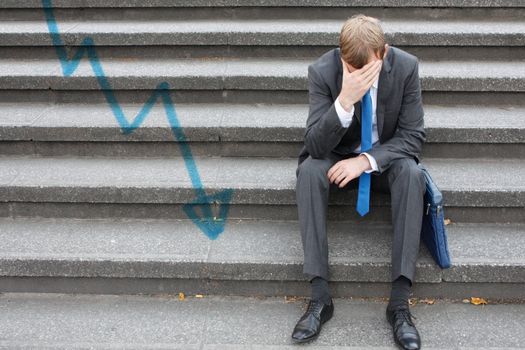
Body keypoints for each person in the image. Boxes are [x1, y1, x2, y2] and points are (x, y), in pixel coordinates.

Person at [291, 14, 426, 350]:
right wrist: (344, 101)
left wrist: (365, 161)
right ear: (341, 58)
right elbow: (315, 145)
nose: (361, 76)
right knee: (308, 170)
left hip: (383, 160)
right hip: (336, 158)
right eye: (353, 69)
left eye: (369, 70)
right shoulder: (323, 71)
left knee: (411, 172)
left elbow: (413, 137)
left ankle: (399, 302)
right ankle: (320, 296)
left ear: (384, 53)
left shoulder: (406, 67)